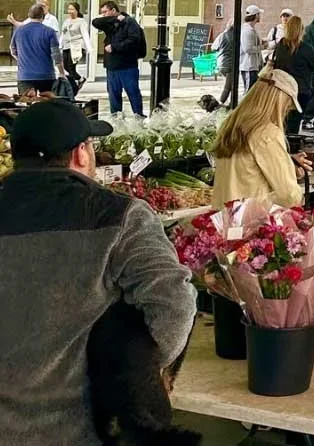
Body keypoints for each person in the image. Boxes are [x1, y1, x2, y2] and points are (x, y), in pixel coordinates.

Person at [0, 99, 196, 445]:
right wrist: (137, 371)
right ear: (81, 154)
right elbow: (174, 303)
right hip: (79, 431)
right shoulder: (119, 216)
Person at [211, 69, 310, 208]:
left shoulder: (231, 124)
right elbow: (288, 194)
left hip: (224, 217)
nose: (285, 113)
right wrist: (299, 193)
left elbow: (247, 170)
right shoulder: (266, 132)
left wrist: (289, 165)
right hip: (252, 221)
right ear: (278, 102)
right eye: (286, 107)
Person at [92, 0, 146, 116]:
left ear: (113, 10)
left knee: (133, 93)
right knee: (113, 94)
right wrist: (115, 19)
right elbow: (95, 22)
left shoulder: (129, 22)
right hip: (111, 66)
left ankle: (139, 116)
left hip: (127, 65)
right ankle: (116, 118)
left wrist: (115, 47)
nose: (104, 15)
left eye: (105, 12)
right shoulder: (109, 24)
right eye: (102, 13)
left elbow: (134, 40)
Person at [272, 15, 314, 135]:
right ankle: (291, 149)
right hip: (300, 90)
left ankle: (281, 147)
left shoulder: (280, 46)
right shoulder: (305, 48)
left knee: (282, 123)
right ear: (301, 30)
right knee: (294, 124)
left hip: (282, 89)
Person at [12, 3, 64, 95]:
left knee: (27, 105)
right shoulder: (50, 32)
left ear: (29, 15)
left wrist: (22, 60)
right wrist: (62, 73)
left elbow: (13, 50)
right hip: (46, 75)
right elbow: (56, 55)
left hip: (25, 75)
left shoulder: (19, 31)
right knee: (47, 105)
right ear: (43, 16)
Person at [60, 2, 91, 93]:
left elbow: (85, 34)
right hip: (67, 45)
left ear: (77, 10)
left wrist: (88, 47)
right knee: (65, 66)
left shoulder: (81, 21)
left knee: (71, 66)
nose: (70, 11)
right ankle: (80, 79)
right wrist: (60, 44)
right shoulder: (66, 21)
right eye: (69, 9)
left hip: (76, 46)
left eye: (72, 9)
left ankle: (73, 88)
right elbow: (63, 34)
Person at [239, 4, 264, 93]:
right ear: (256, 16)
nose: (260, 17)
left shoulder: (249, 29)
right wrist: (262, 47)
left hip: (252, 66)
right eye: (259, 14)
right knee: (249, 92)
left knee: (251, 91)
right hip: (248, 66)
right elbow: (248, 49)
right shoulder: (247, 30)